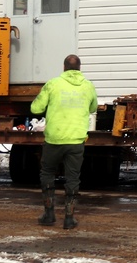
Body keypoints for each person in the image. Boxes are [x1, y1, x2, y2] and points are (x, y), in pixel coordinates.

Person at [30, 54, 98, 229]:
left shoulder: (53, 84)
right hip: (76, 140)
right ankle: (69, 218)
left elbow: (35, 108)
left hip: (54, 139)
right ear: (79, 68)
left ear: (64, 68)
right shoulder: (88, 86)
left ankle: (49, 214)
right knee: (72, 178)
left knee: (47, 173)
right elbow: (93, 108)